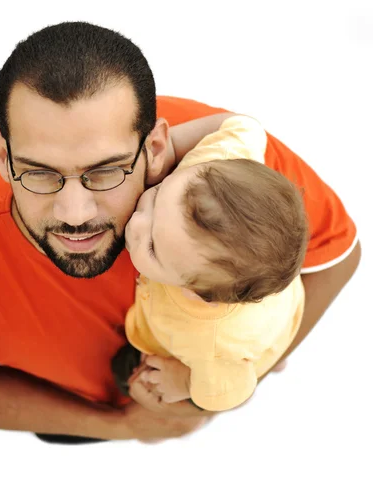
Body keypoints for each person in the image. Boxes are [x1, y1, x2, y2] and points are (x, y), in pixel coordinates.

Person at [0, 21, 361, 444]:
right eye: (41, 173)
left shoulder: (223, 179)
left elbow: (338, 254)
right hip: (85, 415)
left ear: (156, 146)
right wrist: (124, 426)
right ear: (3, 156)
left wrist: (242, 367)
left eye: (107, 171)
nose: (74, 213)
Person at [112, 114, 308, 412]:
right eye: (157, 196)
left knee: (122, 371)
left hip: (230, 355)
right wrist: (172, 146)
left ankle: (269, 357)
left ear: (197, 293)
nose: (136, 223)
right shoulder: (212, 170)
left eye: (152, 247)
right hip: (274, 300)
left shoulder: (210, 341)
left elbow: (232, 393)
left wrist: (184, 383)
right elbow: (245, 125)